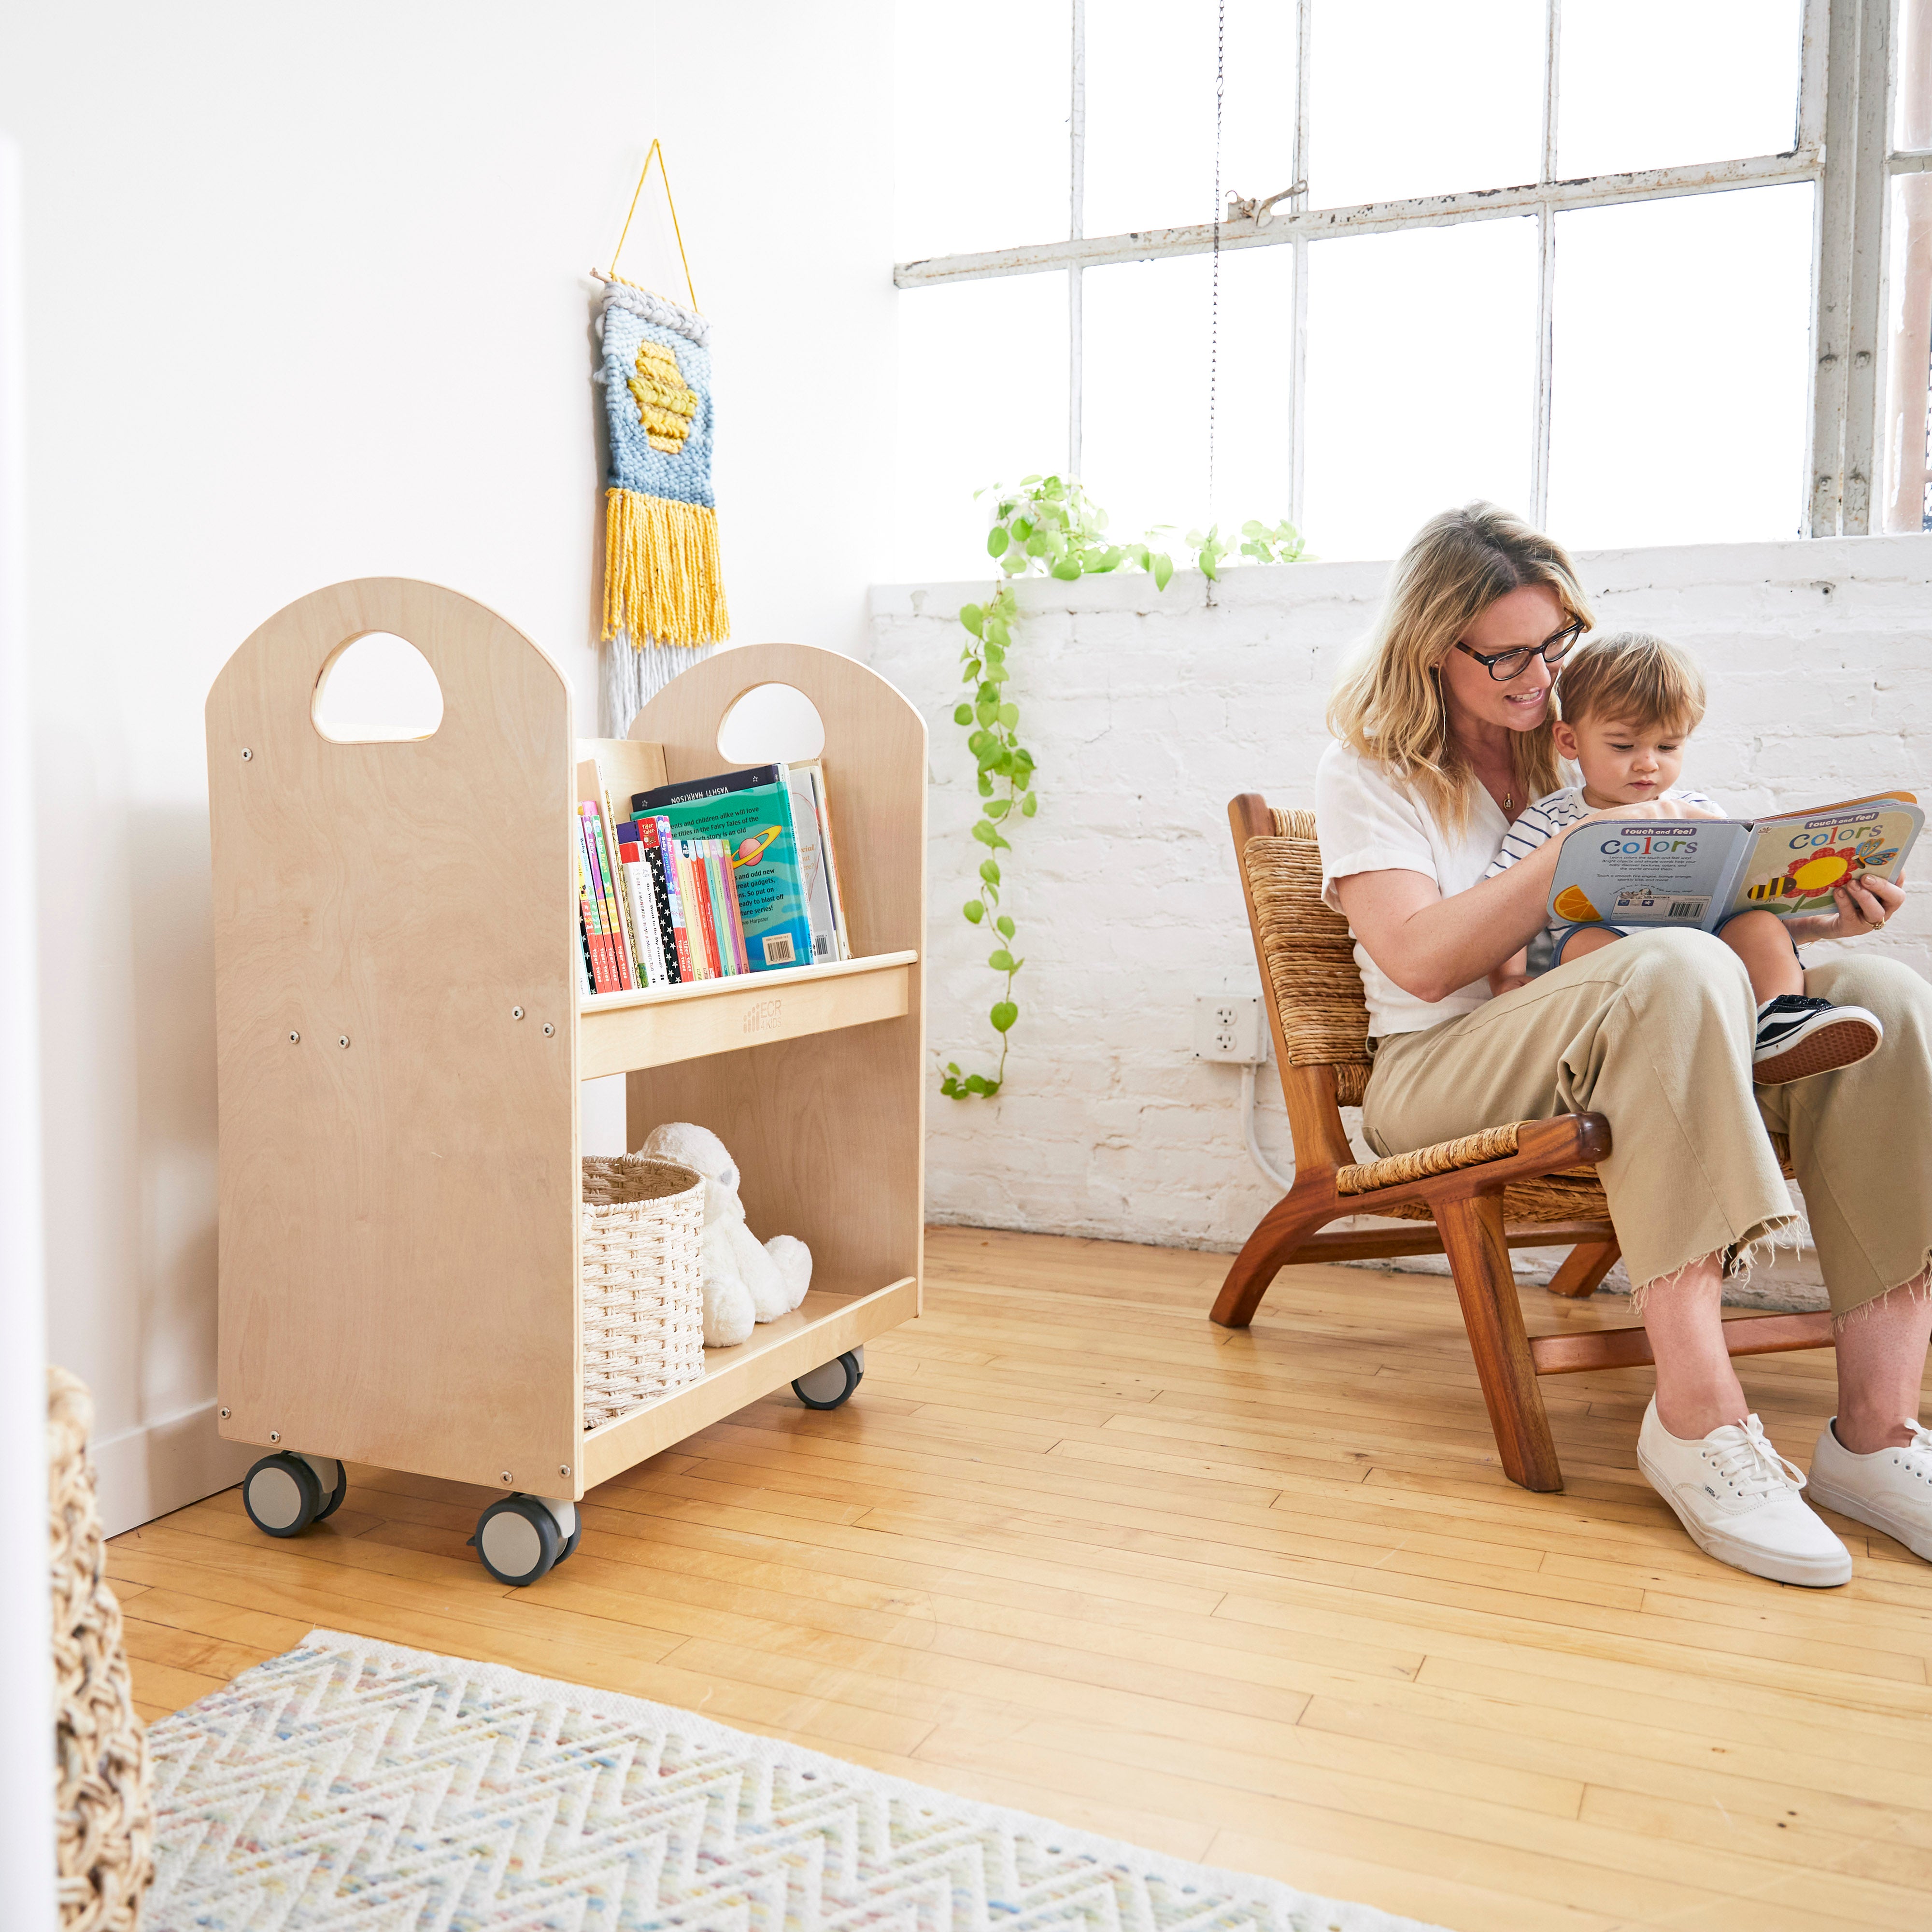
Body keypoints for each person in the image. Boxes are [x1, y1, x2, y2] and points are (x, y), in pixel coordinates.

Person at [1315, 502, 1932, 1588]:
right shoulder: (1374, 771)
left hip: (1639, 1025)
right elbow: (1419, 963)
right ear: (1431, 646)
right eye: (1506, 655)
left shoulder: (1594, 735)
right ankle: (1696, 1421)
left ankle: (1874, 1434)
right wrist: (1579, 850)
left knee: (1887, 996)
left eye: (1554, 644)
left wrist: (1816, 917)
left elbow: (1685, 914)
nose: (1539, 675)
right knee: (1675, 970)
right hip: (1443, 1068)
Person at [1482, 628, 1884, 1085]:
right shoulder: (1549, 818)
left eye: (1668, 747)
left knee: (1757, 922)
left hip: (1704, 960)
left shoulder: (1700, 811)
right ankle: (1645, 1035)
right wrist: (1507, 980)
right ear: (1569, 741)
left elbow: (1740, 896)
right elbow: (1501, 904)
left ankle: (1777, 1022)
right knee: (1583, 941)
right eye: (1623, 746)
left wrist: (1821, 910)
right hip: (1611, 968)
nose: (1648, 763)